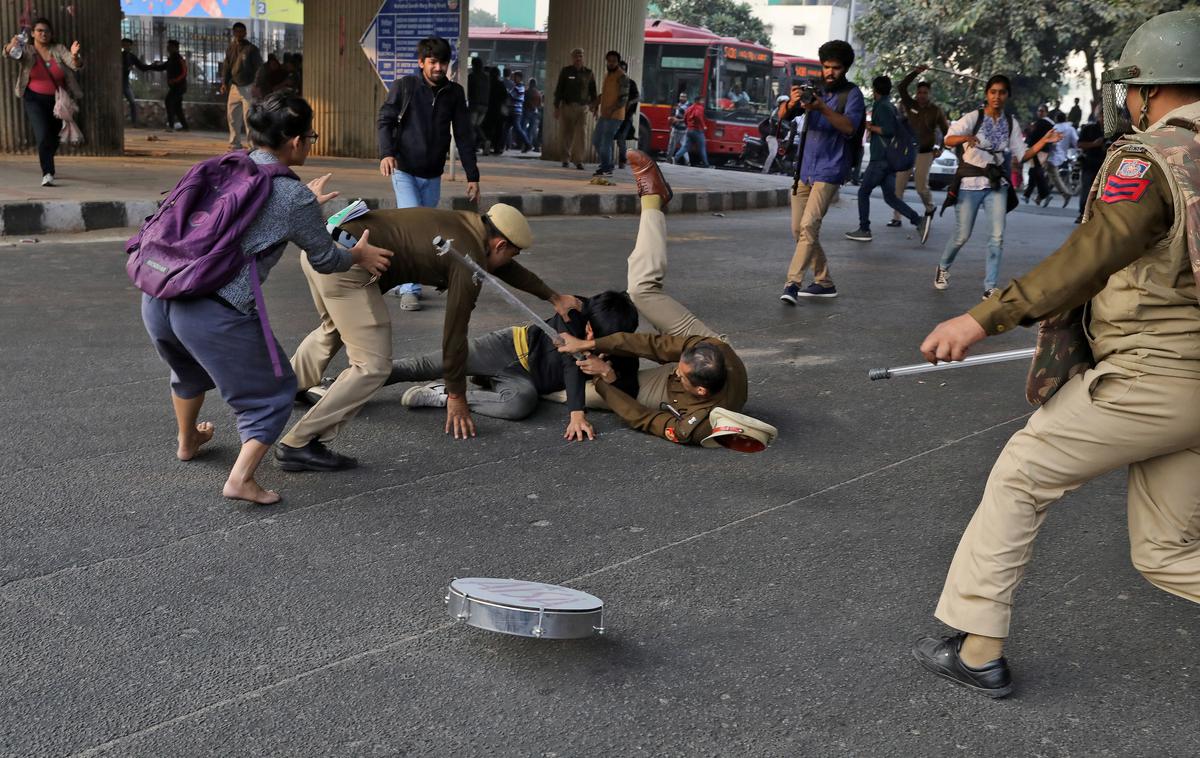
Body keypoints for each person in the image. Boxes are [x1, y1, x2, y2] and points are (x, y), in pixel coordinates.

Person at [912, 8, 1200, 699]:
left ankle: (978, 648)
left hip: (1156, 374)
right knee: (1166, 552)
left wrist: (984, 317)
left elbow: (1091, 254)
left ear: (1149, 88)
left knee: (1022, 473)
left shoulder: (1153, 156)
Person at [138, 92, 392, 505]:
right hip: (212, 308)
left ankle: (188, 442)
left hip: (161, 293)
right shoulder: (294, 196)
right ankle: (241, 480)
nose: (310, 143)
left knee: (186, 370)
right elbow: (327, 259)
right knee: (274, 393)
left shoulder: (226, 166)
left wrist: (306, 205)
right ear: (293, 142)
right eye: (310, 136)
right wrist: (358, 254)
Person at [280, 204, 581, 469]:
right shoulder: (468, 260)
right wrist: (455, 394)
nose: (510, 261)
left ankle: (286, 387)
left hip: (324, 249)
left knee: (333, 327)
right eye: (511, 253)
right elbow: (455, 333)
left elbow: (504, 268)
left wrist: (553, 296)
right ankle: (301, 443)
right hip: (350, 265)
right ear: (500, 244)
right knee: (372, 367)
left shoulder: (467, 224)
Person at [557, 150, 770, 450]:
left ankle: (520, 383)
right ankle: (653, 199)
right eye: (679, 363)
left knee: (574, 393)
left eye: (679, 371)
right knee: (642, 289)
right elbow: (654, 346)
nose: (673, 365)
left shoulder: (693, 427)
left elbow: (641, 417)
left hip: (668, 397)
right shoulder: (713, 350)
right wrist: (591, 345)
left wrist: (605, 378)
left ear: (697, 389)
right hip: (704, 361)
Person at [383, 291, 640, 441]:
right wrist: (577, 415)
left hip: (526, 382)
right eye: (589, 331)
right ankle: (353, 382)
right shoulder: (573, 310)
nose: (590, 338)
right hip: (509, 347)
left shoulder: (621, 347)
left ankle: (443, 394)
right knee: (424, 365)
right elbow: (569, 364)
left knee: (519, 405)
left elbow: (631, 388)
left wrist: (608, 372)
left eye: (599, 339)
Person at [377, 36, 480, 312]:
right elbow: (385, 120)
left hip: (433, 174)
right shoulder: (405, 87)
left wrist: (473, 175)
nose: (438, 67)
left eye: (443, 62)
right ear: (421, 62)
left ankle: (400, 277)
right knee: (415, 229)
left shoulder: (454, 93)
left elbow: (463, 134)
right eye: (433, 62)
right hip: (404, 169)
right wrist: (386, 153)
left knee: (419, 229)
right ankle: (410, 288)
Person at [933, 75, 1060, 298]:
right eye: (993, 92)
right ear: (986, 94)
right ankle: (943, 267)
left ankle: (989, 286)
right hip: (970, 182)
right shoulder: (974, 117)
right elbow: (948, 139)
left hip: (996, 183)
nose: (997, 96)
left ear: (1007, 95)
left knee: (997, 237)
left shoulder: (1010, 123)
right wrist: (967, 137)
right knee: (962, 235)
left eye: (1001, 92)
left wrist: (1043, 141)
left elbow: (1022, 155)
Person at [777, 41, 866, 302]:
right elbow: (783, 116)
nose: (830, 72)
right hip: (804, 169)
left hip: (831, 168)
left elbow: (849, 127)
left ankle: (792, 284)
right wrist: (792, 103)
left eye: (836, 68)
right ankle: (824, 281)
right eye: (826, 67)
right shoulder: (811, 89)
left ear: (845, 68)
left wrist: (822, 108)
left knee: (808, 225)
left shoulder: (852, 95)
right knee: (798, 230)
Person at [845, 76, 930, 244]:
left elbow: (889, 130)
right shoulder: (889, 105)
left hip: (881, 159)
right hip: (889, 160)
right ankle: (918, 221)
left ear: (875, 89)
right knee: (890, 198)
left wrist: (871, 127)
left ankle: (864, 229)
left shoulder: (883, 106)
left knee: (863, 192)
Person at [4, 18, 82, 187]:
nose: (43, 34)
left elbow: (74, 64)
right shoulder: (27, 50)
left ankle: (48, 156)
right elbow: (9, 54)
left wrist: (75, 55)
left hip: (57, 101)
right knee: (43, 134)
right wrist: (12, 43)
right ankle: (47, 172)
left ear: (51, 34)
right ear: (33, 33)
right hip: (33, 98)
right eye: (39, 30)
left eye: (46, 31)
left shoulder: (58, 49)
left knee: (54, 136)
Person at [891, 65, 950, 226]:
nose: (922, 95)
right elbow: (901, 87)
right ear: (916, 93)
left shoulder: (936, 111)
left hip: (925, 152)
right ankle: (897, 218)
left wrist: (941, 148)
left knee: (920, 187)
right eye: (919, 92)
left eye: (925, 92)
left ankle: (930, 207)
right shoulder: (910, 104)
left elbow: (947, 132)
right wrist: (916, 72)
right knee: (898, 187)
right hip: (907, 150)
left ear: (929, 94)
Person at [220, 22, 262, 151]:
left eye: (241, 31)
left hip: (248, 86)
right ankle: (234, 144)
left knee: (248, 117)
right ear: (233, 33)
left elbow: (259, 68)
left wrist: (256, 84)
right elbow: (226, 66)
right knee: (232, 116)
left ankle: (252, 145)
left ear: (245, 33)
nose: (238, 34)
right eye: (236, 31)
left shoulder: (251, 49)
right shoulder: (230, 48)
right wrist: (224, 83)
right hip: (234, 86)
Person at [553, 47, 596, 169]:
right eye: (576, 56)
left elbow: (593, 91)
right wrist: (556, 107)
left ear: (583, 57)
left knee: (581, 134)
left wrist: (594, 105)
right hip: (567, 106)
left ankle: (579, 160)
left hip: (582, 108)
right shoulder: (566, 72)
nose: (578, 58)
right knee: (566, 134)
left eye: (580, 56)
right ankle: (565, 159)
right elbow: (559, 90)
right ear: (572, 58)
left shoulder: (588, 73)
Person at [591, 50, 629, 179]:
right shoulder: (607, 75)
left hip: (615, 115)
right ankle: (608, 165)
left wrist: (612, 109)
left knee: (605, 141)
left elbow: (623, 98)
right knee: (596, 140)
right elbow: (605, 94)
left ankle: (606, 168)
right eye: (609, 61)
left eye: (614, 61)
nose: (611, 63)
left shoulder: (622, 76)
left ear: (618, 62)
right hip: (605, 114)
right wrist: (596, 103)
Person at [1074, 111, 1105, 223]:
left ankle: (1098, 216)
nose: (1104, 118)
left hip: (1106, 165)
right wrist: (1094, 144)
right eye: (1102, 115)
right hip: (1089, 164)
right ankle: (1083, 213)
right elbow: (1080, 144)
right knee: (1087, 190)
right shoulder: (1089, 129)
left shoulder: (1115, 131)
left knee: (1103, 192)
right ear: (1098, 116)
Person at [1021, 105, 1055, 205]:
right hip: (1043, 150)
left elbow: (1034, 136)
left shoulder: (1043, 123)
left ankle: (1040, 194)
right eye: (1039, 111)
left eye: (1042, 111)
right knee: (1035, 171)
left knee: (1035, 171)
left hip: (1039, 150)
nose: (1040, 112)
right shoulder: (1047, 123)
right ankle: (1031, 195)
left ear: (1046, 112)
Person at [1045, 111, 1079, 207]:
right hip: (1064, 155)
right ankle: (1042, 195)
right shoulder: (1070, 129)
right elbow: (1076, 143)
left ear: (1056, 119)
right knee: (1050, 176)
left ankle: (1063, 194)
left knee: (1052, 176)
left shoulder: (1053, 129)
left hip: (1051, 156)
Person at [121, 38, 153, 126]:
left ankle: (134, 122)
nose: (126, 47)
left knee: (132, 102)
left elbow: (142, 67)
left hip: (125, 82)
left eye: (128, 45)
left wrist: (151, 66)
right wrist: (126, 68)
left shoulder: (131, 56)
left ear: (130, 46)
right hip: (117, 81)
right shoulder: (119, 55)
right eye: (124, 45)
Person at [615, 60, 640, 169]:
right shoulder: (613, 82)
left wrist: (630, 102)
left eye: (623, 69)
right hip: (613, 115)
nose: (622, 71)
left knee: (621, 138)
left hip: (626, 117)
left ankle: (622, 161)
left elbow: (637, 97)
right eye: (620, 68)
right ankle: (608, 161)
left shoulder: (631, 83)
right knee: (609, 137)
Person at [674, 95, 711, 168]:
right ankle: (706, 164)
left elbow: (685, 118)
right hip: (697, 130)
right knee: (702, 147)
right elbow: (698, 115)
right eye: (702, 100)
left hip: (689, 130)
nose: (703, 102)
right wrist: (703, 125)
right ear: (698, 101)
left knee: (686, 146)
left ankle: (676, 157)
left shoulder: (689, 108)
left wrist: (688, 125)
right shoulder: (700, 107)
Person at [160, 40, 188, 131]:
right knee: (177, 107)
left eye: (170, 46)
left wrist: (175, 80)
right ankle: (185, 126)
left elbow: (184, 72)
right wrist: (148, 67)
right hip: (175, 87)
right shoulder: (171, 58)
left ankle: (171, 125)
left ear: (175, 48)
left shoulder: (178, 58)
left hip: (179, 87)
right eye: (168, 46)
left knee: (169, 101)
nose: (168, 48)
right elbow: (162, 67)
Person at [505, 70, 532, 152]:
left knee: (517, 128)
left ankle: (528, 144)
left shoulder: (518, 87)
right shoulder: (519, 87)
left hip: (515, 111)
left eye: (515, 77)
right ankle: (503, 145)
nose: (513, 78)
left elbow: (509, 96)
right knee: (506, 128)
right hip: (514, 111)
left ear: (519, 78)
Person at [467, 56, 490, 150]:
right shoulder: (486, 77)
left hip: (475, 105)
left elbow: (469, 90)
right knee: (476, 125)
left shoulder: (472, 76)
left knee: (472, 126)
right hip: (485, 105)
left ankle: (478, 143)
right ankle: (482, 142)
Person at [666, 91, 688, 164]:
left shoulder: (688, 107)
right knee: (672, 146)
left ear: (686, 98)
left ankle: (687, 161)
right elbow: (674, 115)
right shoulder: (677, 106)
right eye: (681, 96)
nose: (681, 98)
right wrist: (671, 118)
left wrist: (677, 119)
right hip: (675, 128)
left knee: (683, 147)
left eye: (683, 97)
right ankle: (669, 159)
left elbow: (687, 119)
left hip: (683, 130)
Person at [523, 77, 542, 150]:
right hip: (535, 112)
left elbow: (524, 101)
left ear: (529, 84)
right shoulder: (538, 93)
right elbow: (540, 104)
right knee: (531, 130)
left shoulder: (527, 92)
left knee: (524, 129)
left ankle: (525, 144)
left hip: (527, 111)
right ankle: (529, 144)